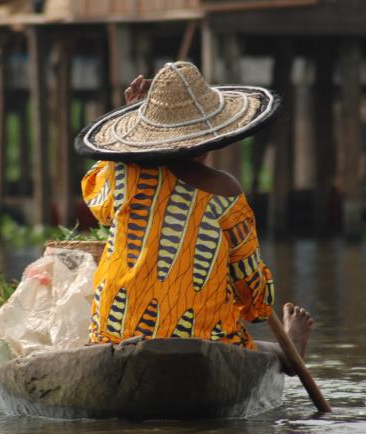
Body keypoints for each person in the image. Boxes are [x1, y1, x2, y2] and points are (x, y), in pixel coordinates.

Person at [77, 62, 313, 375]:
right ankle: (290, 353)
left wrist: (130, 144)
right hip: (201, 340)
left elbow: (98, 200)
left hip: (115, 333)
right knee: (261, 349)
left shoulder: (121, 173)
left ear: (149, 135)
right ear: (211, 137)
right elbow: (255, 300)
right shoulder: (225, 192)